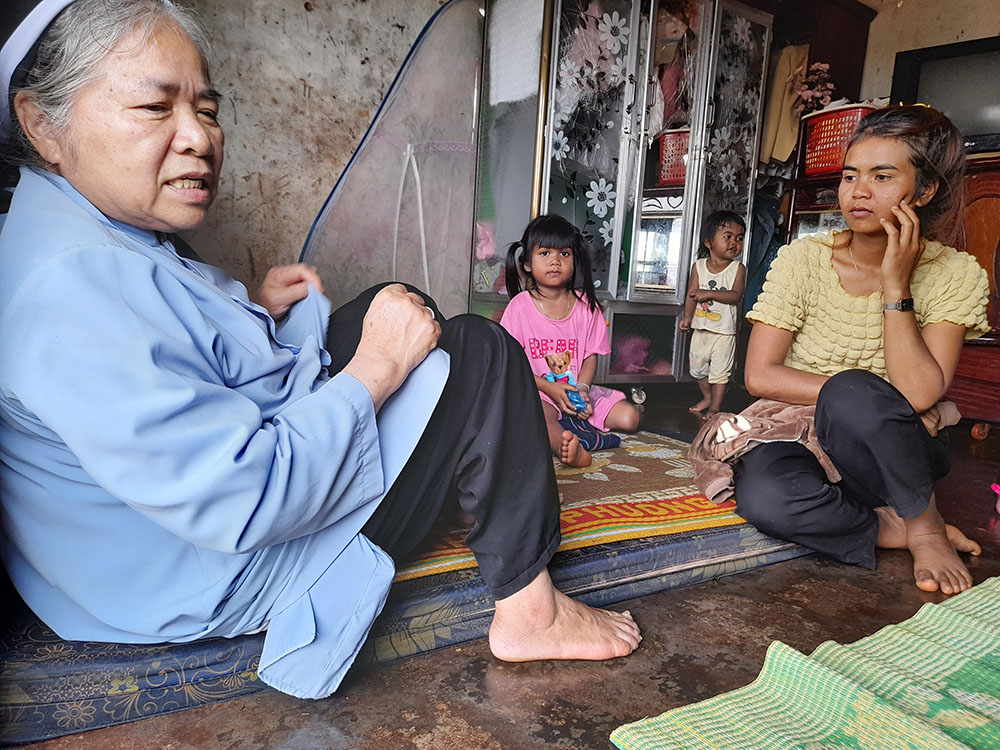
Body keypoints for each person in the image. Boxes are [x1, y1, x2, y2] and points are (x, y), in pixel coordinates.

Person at [0, 0, 641, 701]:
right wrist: (376, 371)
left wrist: (247, 310)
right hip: (226, 570)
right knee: (480, 350)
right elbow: (243, 501)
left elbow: (175, 360)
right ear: (42, 124)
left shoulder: (74, 226)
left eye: (206, 109)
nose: (197, 138)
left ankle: (469, 458)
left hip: (136, 560)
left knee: (393, 305)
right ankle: (531, 612)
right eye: (156, 108)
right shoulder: (71, 284)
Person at [736, 105, 989, 596]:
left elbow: (916, 395)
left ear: (926, 190)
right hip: (800, 432)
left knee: (854, 393)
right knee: (767, 499)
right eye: (851, 175)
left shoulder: (955, 273)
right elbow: (760, 376)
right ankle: (890, 529)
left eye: (883, 176)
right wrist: (843, 399)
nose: (859, 191)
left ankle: (923, 523)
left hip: (897, 453)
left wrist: (896, 286)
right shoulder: (803, 260)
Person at [499, 214, 640, 469]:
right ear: (528, 263)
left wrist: (583, 390)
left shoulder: (587, 306)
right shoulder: (519, 308)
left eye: (564, 254)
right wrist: (548, 388)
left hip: (578, 390)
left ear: (575, 260)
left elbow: (590, 356)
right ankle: (568, 449)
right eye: (544, 253)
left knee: (629, 418)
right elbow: (510, 364)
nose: (555, 261)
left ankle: (633, 411)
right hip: (538, 391)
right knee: (544, 419)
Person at [679, 210, 747, 419]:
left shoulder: (737, 268)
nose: (734, 243)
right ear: (709, 242)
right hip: (701, 329)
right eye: (728, 237)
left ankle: (715, 406)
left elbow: (735, 296)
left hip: (724, 333)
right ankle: (707, 397)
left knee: (720, 372)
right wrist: (688, 316)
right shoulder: (698, 266)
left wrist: (708, 293)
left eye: (739, 238)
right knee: (697, 368)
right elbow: (691, 294)